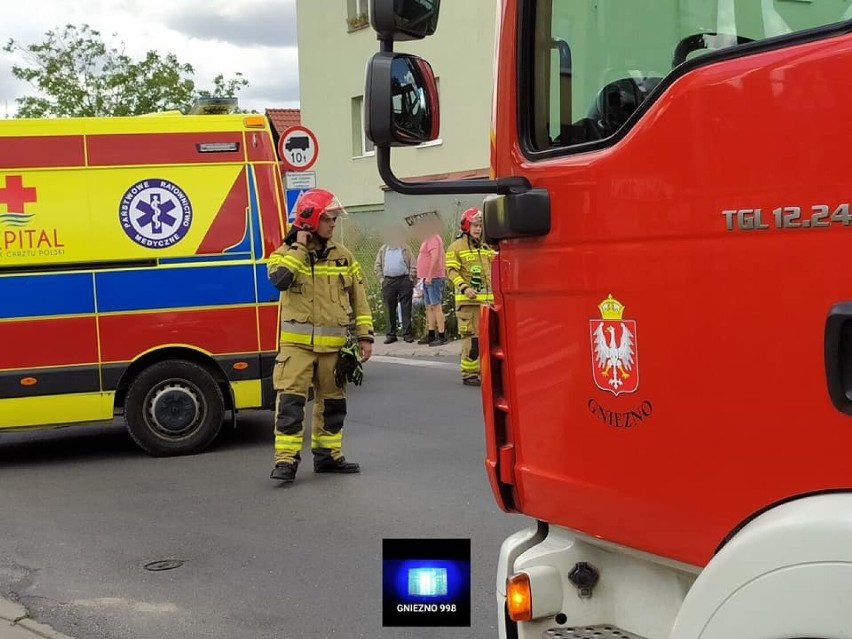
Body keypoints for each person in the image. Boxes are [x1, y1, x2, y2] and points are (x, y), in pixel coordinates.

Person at [266, 188, 374, 483]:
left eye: (334, 219)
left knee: (333, 404)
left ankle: (328, 457)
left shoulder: (344, 257)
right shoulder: (284, 255)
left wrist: (365, 336)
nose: (333, 224)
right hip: (297, 348)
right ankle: (286, 461)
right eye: (328, 219)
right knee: (290, 405)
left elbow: (359, 300)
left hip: (335, 348)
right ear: (310, 220)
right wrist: (300, 248)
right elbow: (280, 281)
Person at [445, 208, 495, 386]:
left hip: (489, 302)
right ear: (466, 225)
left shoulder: (487, 246)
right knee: (471, 338)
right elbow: (451, 271)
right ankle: (470, 373)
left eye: (481, 225)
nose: (478, 229)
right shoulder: (456, 247)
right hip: (469, 303)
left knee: (489, 339)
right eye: (475, 225)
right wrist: (464, 287)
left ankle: (486, 371)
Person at [373, 226, 417, 344]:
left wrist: (411, 276)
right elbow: (377, 265)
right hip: (388, 281)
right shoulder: (383, 250)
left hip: (404, 279)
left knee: (406, 307)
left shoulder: (405, 248)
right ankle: (391, 334)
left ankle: (407, 333)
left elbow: (413, 263)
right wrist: (381, 279)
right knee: (389, 308)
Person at [414, 213, 447, 346]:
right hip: (426, 278)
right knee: (429, 307)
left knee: (436, 305)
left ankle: (441, 334)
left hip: (433, 277)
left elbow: (435, 257)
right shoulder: (427, 238)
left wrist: (429, 275)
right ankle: (431, 333)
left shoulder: (433, 238)